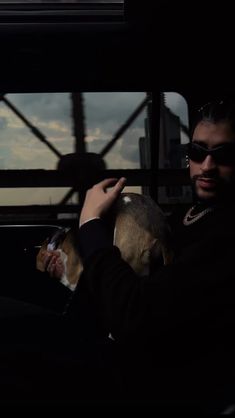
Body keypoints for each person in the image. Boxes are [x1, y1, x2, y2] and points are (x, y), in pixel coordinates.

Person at [74, 97, 235, 411]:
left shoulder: (225, 234)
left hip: (169, 385)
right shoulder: (185, 215)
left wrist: (90, 223)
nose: (207, 166)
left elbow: (134, 315)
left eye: (224, 155)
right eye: (198, 152)